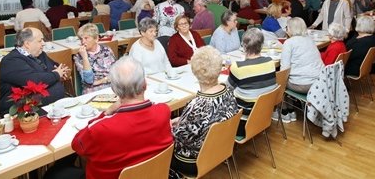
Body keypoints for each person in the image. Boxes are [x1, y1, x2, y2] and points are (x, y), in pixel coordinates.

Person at [71, 56, 173, 179]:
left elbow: (77, 146)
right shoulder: (163, 111)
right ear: (145, 85)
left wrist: (107, 112)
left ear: (114, 90)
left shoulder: (100, 128)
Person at [170, 46, 238, 178]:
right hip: (220, 148)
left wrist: (168, 125)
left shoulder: (196, 106)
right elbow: (209, 121)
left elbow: (179, 137)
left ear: (195, 71)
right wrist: (183, 120)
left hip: (193, 161)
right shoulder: (229, 92)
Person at [0, 27, 70, 115]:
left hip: (49, 107)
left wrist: (59, 72)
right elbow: (34, 81)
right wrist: (56, 75)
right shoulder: (11, 61)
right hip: (23, 112)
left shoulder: (39, 54)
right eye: (40, 41)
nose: (43, 43)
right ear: (27, 44)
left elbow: (55, 67)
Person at [226, 28, 277, 135]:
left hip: (243, 121)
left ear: (244, 46)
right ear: (262, 45)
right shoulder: (270, 62)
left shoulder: (238, 67)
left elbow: (227, 90)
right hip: (264, 114)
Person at [276, 17, 323, 122]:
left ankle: (285, 111)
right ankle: (291, 109)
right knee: (285, 78)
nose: (286, 29)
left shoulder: (289, 42)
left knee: (278, 80)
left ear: (291, 29)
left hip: (304, 85)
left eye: (287, 27)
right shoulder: (309, 40)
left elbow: (285, 69)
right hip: (319, 82)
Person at [74, 23, 117, 94]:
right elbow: (89, 81)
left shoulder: (106, 49)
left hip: (112, 87)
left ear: (96, 38)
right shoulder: (79, 56)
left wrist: (98, 81)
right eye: (81, 39)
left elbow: (115, 72)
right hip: (93, 91)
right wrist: (85, 58)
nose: (83, 42)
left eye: (86, 38)